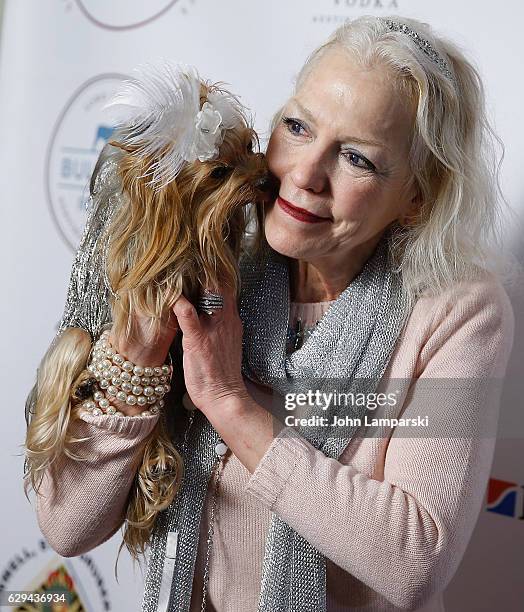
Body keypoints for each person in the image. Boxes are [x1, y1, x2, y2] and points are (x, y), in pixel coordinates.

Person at [29, 15, 515, 612]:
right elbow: (67, 527)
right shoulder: (209, 242)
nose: (305, 175)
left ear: (417, 196)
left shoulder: (457, 309)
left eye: (357, 159)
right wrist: (138, 355)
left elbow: (415, 558)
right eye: (298, 126)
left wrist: (230, 403)